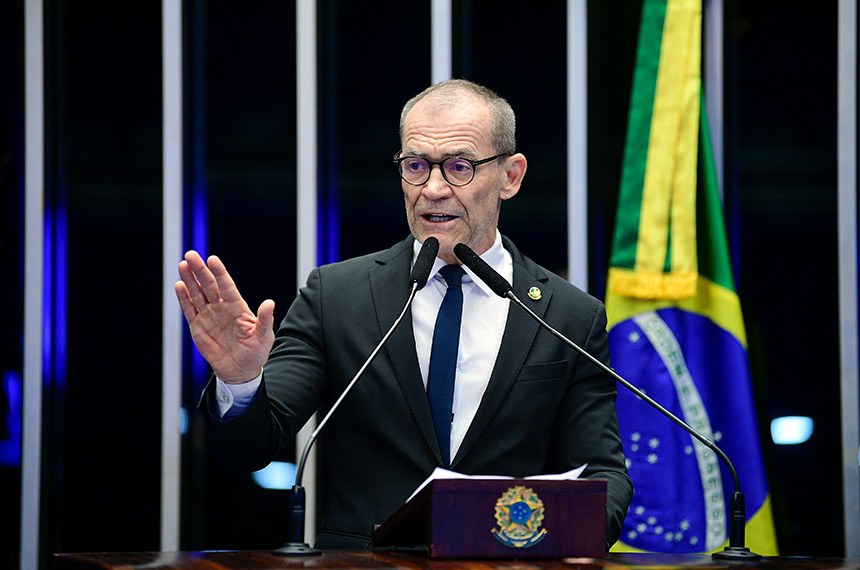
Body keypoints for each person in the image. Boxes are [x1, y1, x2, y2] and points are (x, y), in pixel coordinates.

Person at [175, 79, 632, 550]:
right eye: (415, 165)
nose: (432, 189)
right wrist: (241, 382)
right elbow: (247, 451)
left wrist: (564, 536)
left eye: (459, 167)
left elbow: (603, 475)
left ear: (510, 177)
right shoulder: (337, 297)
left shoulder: (569, 316)